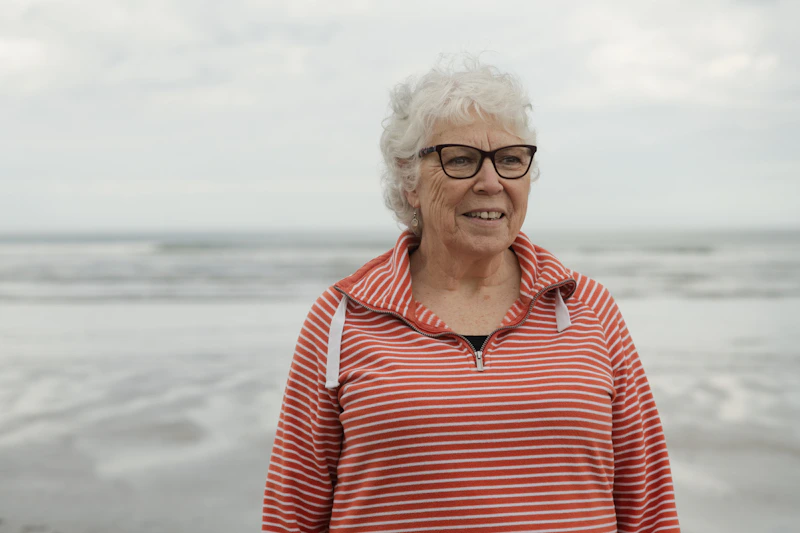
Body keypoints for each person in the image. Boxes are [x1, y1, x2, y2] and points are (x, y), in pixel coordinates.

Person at [262, 57, 681, 532]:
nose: (491, 183)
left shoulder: (588, 308)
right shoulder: (341, 317)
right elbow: (290, 516)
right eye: (459, 159)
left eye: (509, 159)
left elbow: (649, 509)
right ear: (409, 181)